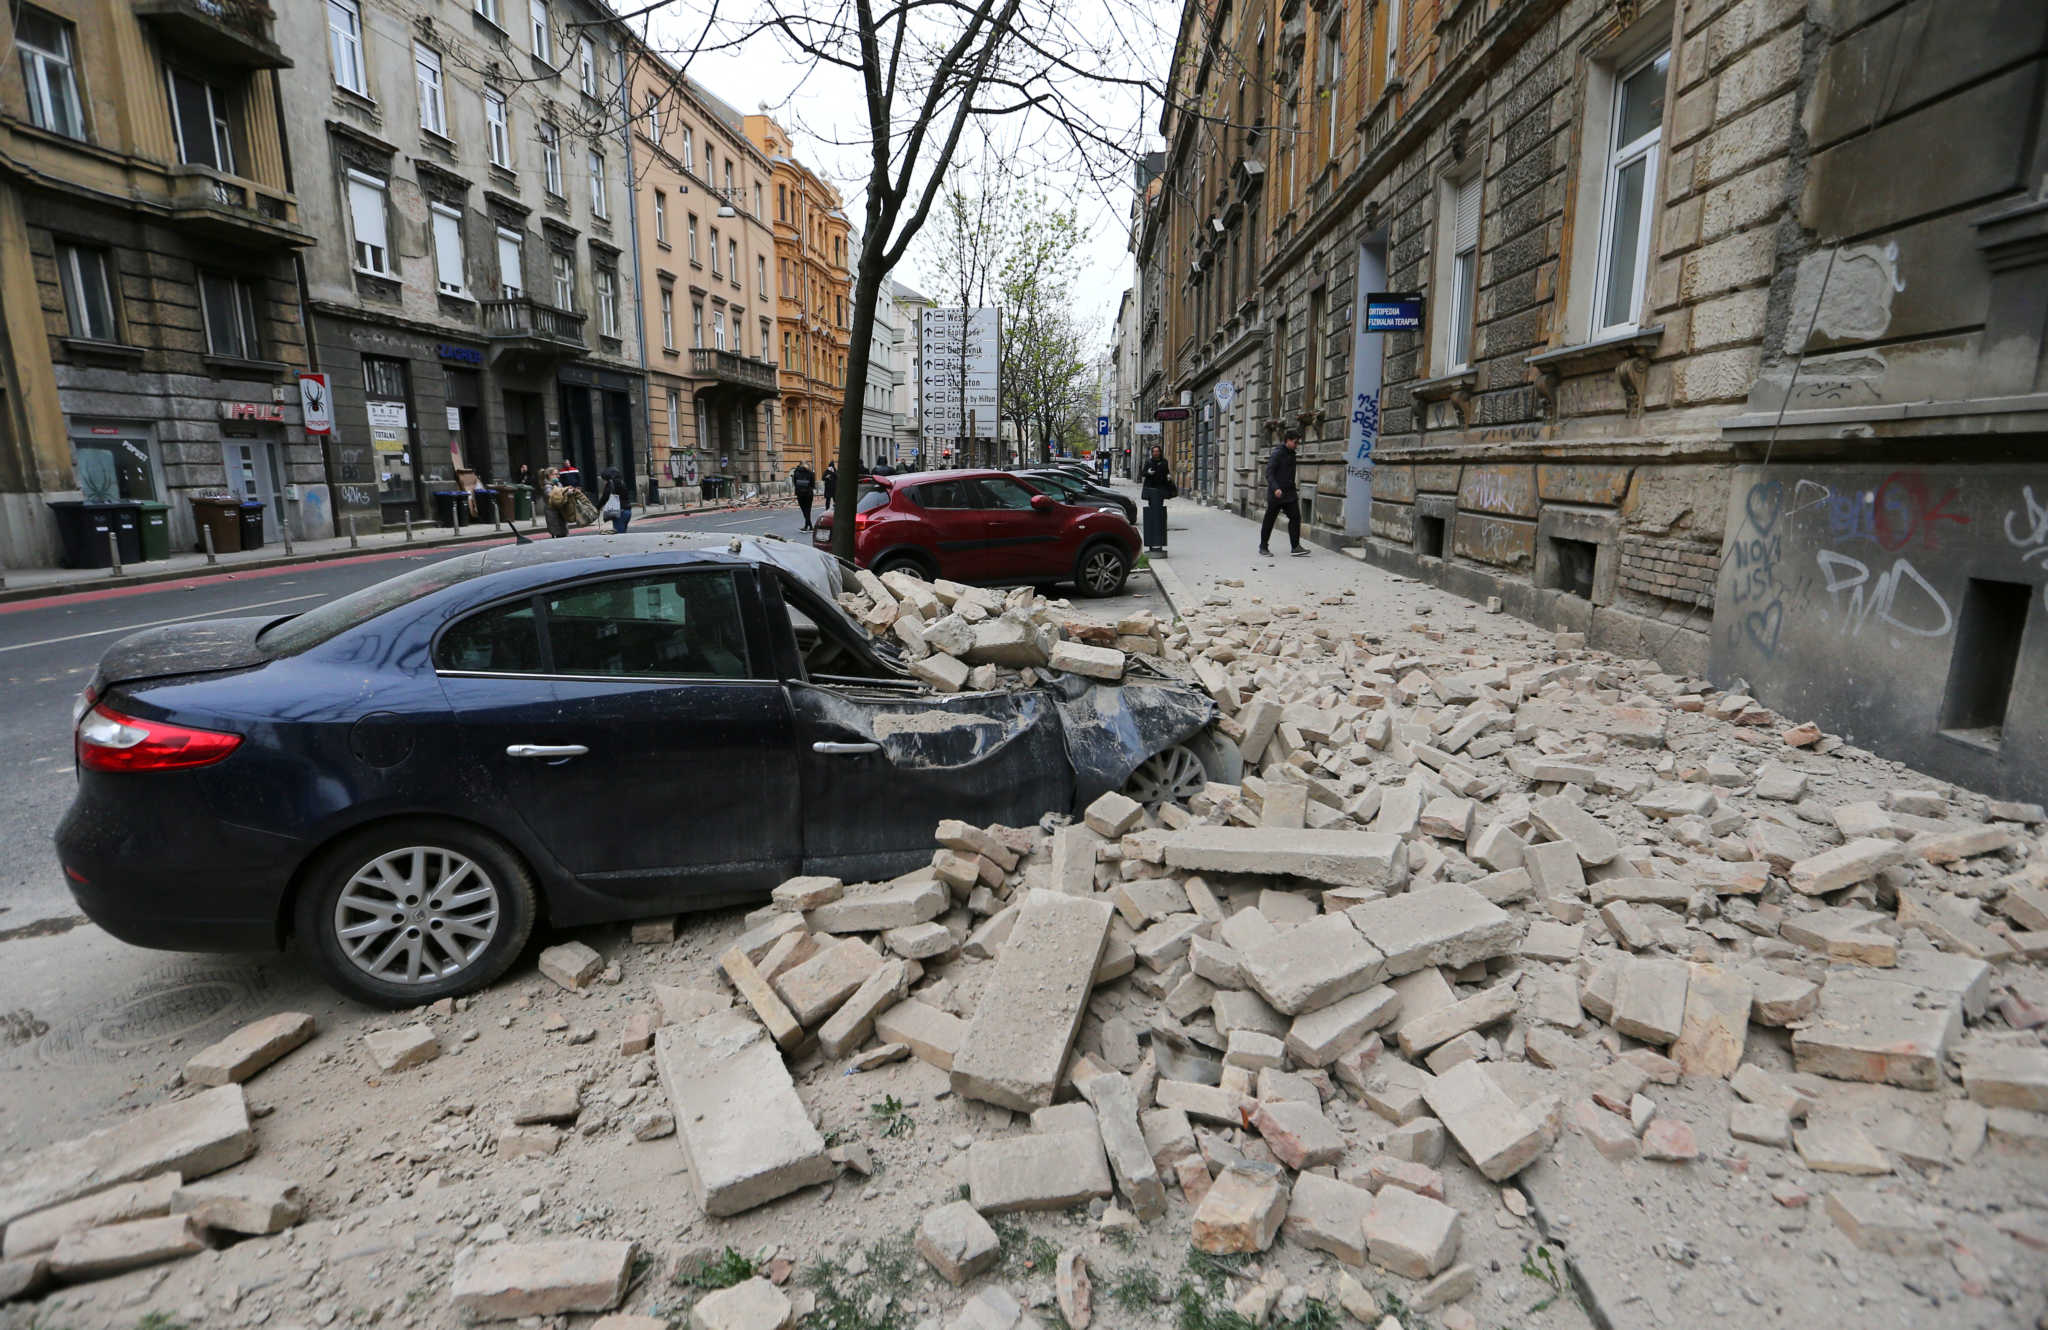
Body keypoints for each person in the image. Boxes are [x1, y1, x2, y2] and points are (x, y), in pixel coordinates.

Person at [1259, 430, 1308, 557]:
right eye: (1295, 442)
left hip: (1289, 493)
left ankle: (1295, 547)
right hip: (1277, 494)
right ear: (1288, 440)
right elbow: (1269, 473)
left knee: (1295, 517)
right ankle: (1263, 547)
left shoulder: (1292, 454)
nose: (1297, 445)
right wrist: (1275, 488)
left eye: (1298, 443)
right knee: (1270, 519)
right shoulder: (1277, 453)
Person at [1139, 444, 1173, 553]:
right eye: (1154, 451)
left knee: (1159, 508)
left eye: (1157, 451)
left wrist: (1168, 476)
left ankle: (1158, 525)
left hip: (1161, 489)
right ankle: (1153, 525)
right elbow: (1143, 473)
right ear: (1152, 453)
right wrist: (1148, 473)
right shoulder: (1149, 462)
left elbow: (1167, 471)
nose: (1156, 453)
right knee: (1152, 508)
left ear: (1160, 452)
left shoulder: (1164, 462)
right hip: (1151, 489)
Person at [598, 466, 630, 533]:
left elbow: (605, 497)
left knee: (619, 535)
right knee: (623, 533)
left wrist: (597, 507)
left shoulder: (611, 484)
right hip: (628, 510)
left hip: (619, 512)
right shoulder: (622, 482)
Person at [540, 467, 570, 539]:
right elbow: (551, 496)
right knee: (557, 533)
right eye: (556, 474)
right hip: (552, 513)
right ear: (550, 475)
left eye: (558, 474)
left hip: (560, 511)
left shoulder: (558, 484)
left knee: (563, 533)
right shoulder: (547, 486)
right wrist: (564, 492)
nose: (558, 476)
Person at [790, 461, 816, 530]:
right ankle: (809, 526)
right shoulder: (811, 473)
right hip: (809, 493)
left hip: (800, 493)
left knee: (804, 510)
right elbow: (813, 484)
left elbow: (794, 483)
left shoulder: (796, 472)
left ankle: (808, 526)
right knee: (808, 510)